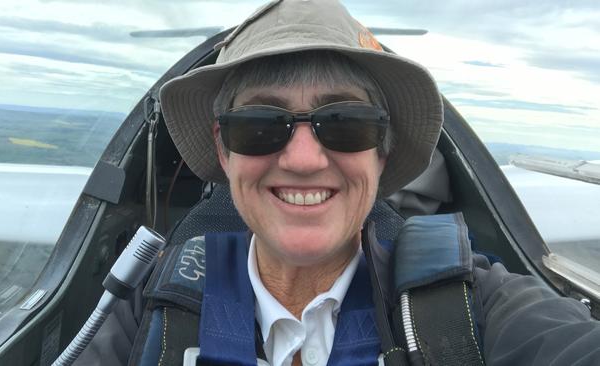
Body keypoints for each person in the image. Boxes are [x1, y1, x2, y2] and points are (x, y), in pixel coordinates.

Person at [77, 0, 600, 365]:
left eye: (346, 123)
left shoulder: (477, 307)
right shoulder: (149, 305)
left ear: (382, 149)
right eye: (259, 125)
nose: (303, 160)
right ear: (223, 148)